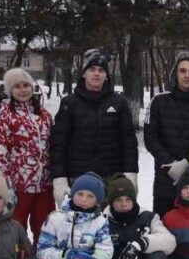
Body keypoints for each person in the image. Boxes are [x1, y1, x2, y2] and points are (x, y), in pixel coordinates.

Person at [49, 49, 138, 205]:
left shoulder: (119, 103)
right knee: (78, 220)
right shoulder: (69, 103)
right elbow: (59, 144)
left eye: (101, 70)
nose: (96, 73)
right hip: (78, 179)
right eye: (92, 69)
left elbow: (128, 142)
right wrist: (59, 178)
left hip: (112, 179)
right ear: (84, 73)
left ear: (106, 76)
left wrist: (130, 173)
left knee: (109, 221)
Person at [0, 67, 54, 240]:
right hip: (19, 185)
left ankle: (41, 258)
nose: (23, 89)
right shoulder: (5, 116)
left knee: (46, 229)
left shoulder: (43, 114)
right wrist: (5, 184)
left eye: (26, 85)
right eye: (17, 86)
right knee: (16, 229)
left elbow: (53, 145)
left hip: (45, 183)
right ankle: (18, 258)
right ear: (10, 90)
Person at [143, 50, 189, 216]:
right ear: (175, 73)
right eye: (183, 70)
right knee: (163, 227)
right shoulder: (158, 102)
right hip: (164, 178)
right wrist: (170, 163)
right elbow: (150, 137)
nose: (187, 75)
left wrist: (187, 163)